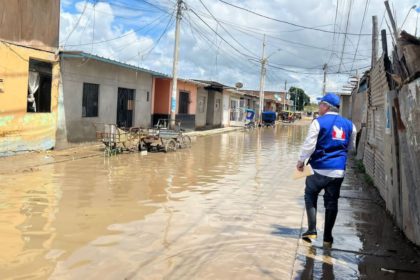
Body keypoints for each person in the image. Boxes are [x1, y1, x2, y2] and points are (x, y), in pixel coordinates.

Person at [296, 93, 356, 245]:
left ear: (326, 106)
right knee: (332, 202)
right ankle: (328, 237)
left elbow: (309, 146)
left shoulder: (318, 122)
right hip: (338, 171)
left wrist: (301, 162)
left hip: (319, 169)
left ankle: (311, 231)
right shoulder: (350, 125)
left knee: (310, 194)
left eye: (320, 104)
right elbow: (351, 147)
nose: (319, 107)